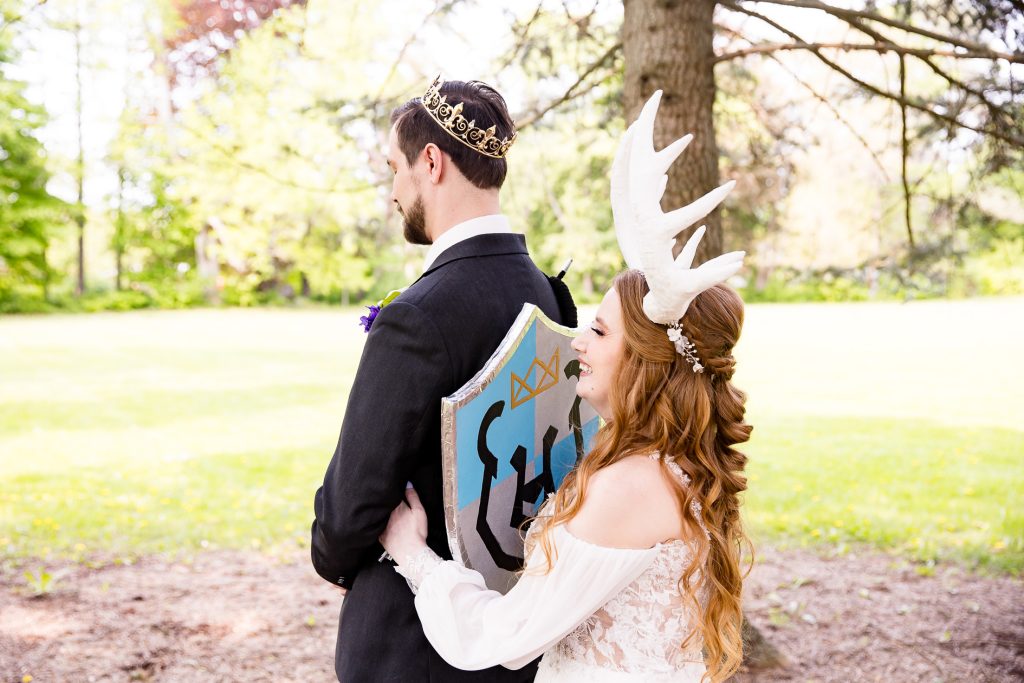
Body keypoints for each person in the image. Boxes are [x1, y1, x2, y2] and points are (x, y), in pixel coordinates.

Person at [379, 91, 752, 682]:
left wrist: (412, 553)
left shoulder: (632, 485)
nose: (578, 341)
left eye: (599, 331)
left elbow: (505, 636)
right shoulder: (665, 463)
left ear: (646, 361)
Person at [310, 76, 575, 683]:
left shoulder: (418, 317)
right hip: (515, 634)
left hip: (416, 643)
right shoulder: (547, 295)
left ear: (430, 162)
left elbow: (350, 510)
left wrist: (333, 553)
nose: (393, 191)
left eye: (394, 169)